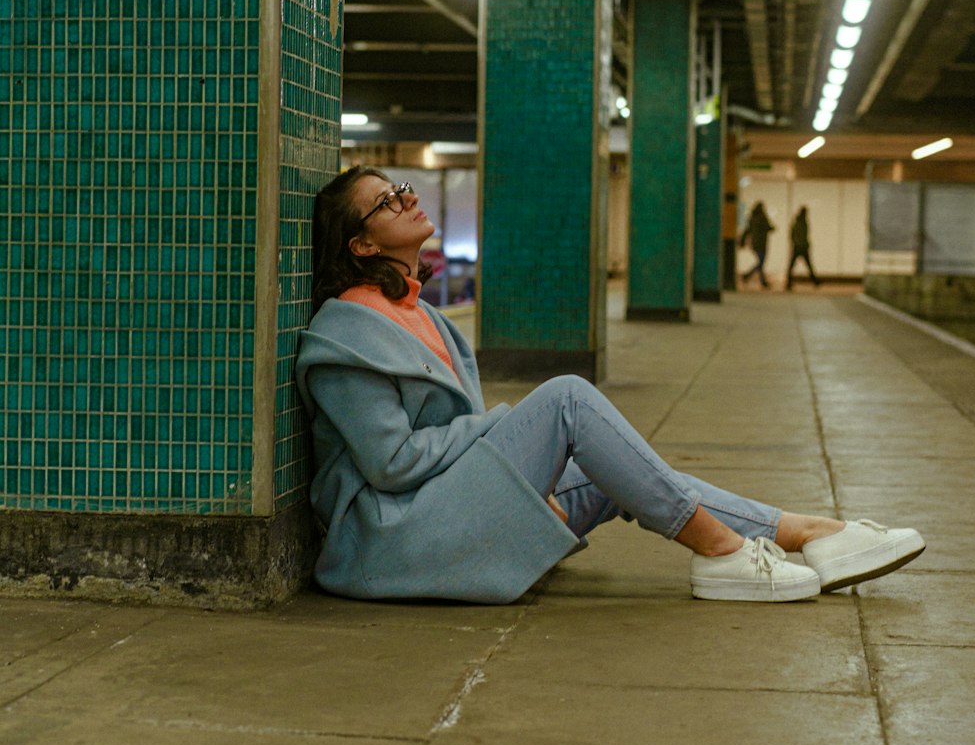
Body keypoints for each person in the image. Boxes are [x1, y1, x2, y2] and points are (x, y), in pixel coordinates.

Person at [296, 167, 925, 606]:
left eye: (400, 188)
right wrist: (501, 439)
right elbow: (392, 463)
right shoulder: (348, 333)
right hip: (394, 540)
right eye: (385, 202)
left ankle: (807, 533)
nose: (405, 198)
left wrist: (508, 472)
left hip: (437, 508)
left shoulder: (421, 312)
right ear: (362, 243)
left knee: (614, 469)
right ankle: (724, 552)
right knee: (567, 398)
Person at [740, 200, 774, 288]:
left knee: (760, 262)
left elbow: (747, 230)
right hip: (762, 243)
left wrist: (742, 241)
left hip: (755, 243)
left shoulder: (752, 218)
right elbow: (769, 227)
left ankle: (760, 280)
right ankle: (749, 275)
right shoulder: (763, 218)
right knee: (761, 262)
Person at [787, 205, 821, 290]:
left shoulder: (797, 222)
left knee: (792, 266)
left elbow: (792, 234)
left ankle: (788, 283)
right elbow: (803, 235)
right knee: (808, 265)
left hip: (798, 246)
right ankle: (815, 281)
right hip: (802, 246)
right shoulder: (803, 222)